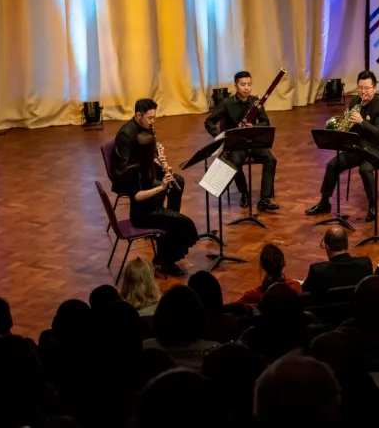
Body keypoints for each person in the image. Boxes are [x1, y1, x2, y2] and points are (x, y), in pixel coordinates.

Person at [111, 98, 198, 276]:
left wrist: (159, 160)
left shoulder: (147, 127)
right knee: (165, 187)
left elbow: (150, 154)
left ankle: (167, 216)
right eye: (150, 118)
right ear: (138, 115)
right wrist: (151, 163)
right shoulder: (126, 135)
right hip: (131, 178)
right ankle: (164, 221)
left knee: (178, 182)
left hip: (145, 171)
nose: (152, 121)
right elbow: (122, 169)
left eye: (154, 118)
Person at [306, 70, 379, 222]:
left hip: (375, 149)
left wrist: (362, 122)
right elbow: (348, 127)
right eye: (360, 88)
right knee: (332, 165)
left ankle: (372, 205)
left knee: (365, 170)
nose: (363, 92)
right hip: (356, 148)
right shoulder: (354, 102)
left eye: (367, 88)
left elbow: (378, 133)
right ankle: (325, 202)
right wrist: (344, 126)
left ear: (375, 88)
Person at [204, 71, 279, 212]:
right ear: (235, 85)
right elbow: (208, 122)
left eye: (249, 84)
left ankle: (264, 199)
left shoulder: (255, 102)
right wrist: (221, 138)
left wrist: (254, 126)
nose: (246, 88)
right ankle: (244, 193)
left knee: (271, 159)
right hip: (237, 144)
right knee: (235, 162)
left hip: (254, 141)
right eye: (243, 84)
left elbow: (265, 122)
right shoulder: (227, 103)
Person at [302, 227, 374, 298]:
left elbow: (303, 294)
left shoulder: (317, 271)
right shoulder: (365, 263)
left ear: (327, 247)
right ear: (347, 245)